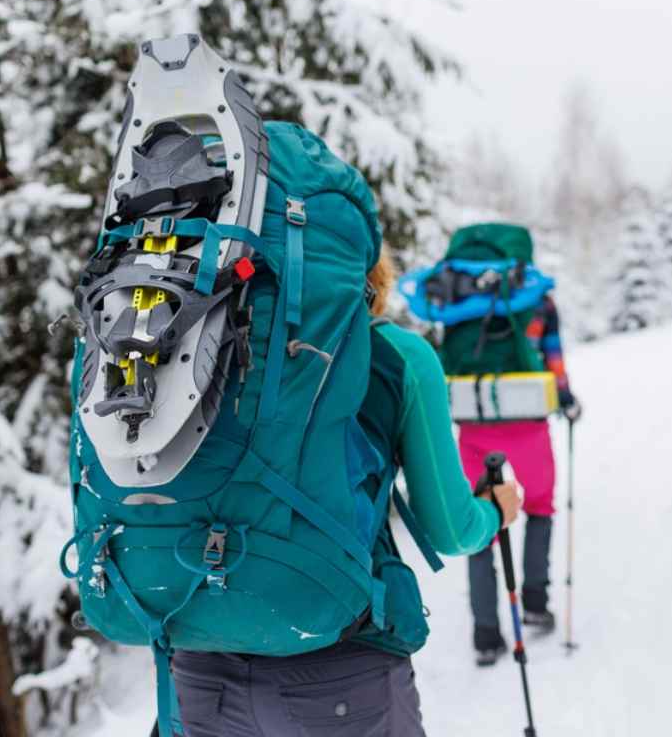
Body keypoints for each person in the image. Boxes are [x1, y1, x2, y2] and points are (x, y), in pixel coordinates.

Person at [168, 252, 523, 736]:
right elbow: (451, 530)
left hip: (200, 672)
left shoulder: (188, 342)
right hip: (341, 666)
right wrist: (495, 512)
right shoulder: (397, 355)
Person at [461, 292, 581, 666]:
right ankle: (534, 604)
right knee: (540, 506)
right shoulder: (539, 302)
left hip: (474, 422)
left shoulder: (461, 299)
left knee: (480, 524)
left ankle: (485, 635)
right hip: (527, 422)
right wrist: (566, 399)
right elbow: (553, 359)